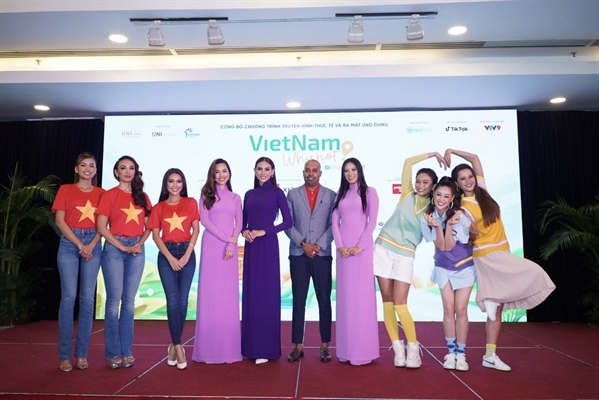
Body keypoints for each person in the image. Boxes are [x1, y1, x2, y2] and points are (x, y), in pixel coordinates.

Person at [446, 148, 556, 372]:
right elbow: (466, 239)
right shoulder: (461, 209)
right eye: (462, 179)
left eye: (470, 176)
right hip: (487, 257)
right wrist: (471, 233)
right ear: (457, 184)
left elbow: (475, 158)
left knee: (497, 309)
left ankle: (490, 355)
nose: (468, 181)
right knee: (528, 278)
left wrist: (450, 151)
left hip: (503, 253)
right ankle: (485, 344)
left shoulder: (483, 192)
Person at [374, 152, 444, 368]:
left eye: (425, 182)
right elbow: (408, 162)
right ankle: (397, 349)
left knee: (400, 303)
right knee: (387, 301)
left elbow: (433, 238)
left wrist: (433, 224)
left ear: (433, 186)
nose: (420, 185)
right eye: (418, 181)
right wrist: (433, 154)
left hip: (405, 254)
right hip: (383, 248)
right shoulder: (407, 193)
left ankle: (413, 347)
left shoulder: (434, 209)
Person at [97, 155, 152, 369]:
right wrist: (121, 246)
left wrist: (138, 244)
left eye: (131, 168)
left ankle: (126, 351)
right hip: (114, 249)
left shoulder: (142, 197)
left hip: (137, 250)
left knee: (129, 302)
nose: (127, 172)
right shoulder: (109, 195)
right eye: (123, 168)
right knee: (113, 302)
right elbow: (101, 227)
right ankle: (113, 353)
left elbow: (149, 226)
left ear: (135, 172)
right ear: (116, 172)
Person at [52, 152, 105, 372]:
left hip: (93, 243)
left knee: (87, 300)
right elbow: (59, 221)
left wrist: (90, 245)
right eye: (83, 165)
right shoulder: (66, 190)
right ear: (76, 169)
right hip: (69, 243)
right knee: (68, 298)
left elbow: (104, 224)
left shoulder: (102, 193)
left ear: (95, 170)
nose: (87, 169)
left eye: (91, 165)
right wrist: (79, 245)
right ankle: (64, 356)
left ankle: (81, 354)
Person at [420, 177, 475, 372]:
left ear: (452, 198)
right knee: (448, 308)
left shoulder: (460, 216)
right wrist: (438, 226)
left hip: (464, 267)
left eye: (446, 196)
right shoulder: (426, 217)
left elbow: (451, 245)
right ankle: (451, 353)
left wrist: (450, 225)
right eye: (438, 195)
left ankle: (462, 354)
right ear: (433, 195)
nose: (441, 199)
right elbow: (442, 247)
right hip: (443, 267)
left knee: (461, 309)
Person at [241, 157, 293, 364]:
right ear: (254, 171)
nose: (263, 172)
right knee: (252, 295)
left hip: (268, 246)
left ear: (272, 172)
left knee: (266, 295)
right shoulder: (249, 194)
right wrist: (244, 231)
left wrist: (264, 231)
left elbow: (288, 222)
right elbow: (243, 221)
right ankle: (251, 347)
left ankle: (266, 348)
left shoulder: (277, 193)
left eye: (267, 169)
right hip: (251, 246)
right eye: (260, 169)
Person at [284, 160, 336, 362]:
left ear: (320, 173)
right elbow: (288, 224)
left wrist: (318, 246)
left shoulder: (331, 195)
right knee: (298, 301)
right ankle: (298, 346)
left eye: (314, 170)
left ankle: (325, 346)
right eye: (308, 170)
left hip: (322, 255)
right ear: (303, 172)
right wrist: (303, 244)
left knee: (324, 301)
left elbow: (333, 225)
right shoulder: (292, 194)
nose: (311, 174)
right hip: (299, 254)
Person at [193, 159, 243, 364]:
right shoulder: (206, 195)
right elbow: (205, 220)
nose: (221, 175)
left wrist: (232, 243)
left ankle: (228, 348)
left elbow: (239, 223)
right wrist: (225, 238)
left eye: (224, 171)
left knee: (227, 294)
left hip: (230, 248)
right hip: (212, 246)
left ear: (229, 173)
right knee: (210, 293)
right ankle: (208, 349)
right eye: (217, 172)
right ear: (212, 175)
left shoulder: (236, 197)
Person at [148, 168, 199, 370]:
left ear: (183, 184)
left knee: (183, 300)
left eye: (179, 181)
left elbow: (196, 229)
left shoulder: (191, 203)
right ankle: (178, 346)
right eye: (171, 181)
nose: (175, 185)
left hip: (187, 252)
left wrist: (186, 254)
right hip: (166, 254)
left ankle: (173, 344)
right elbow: (155, 235)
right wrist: (170, 258)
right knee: (172, 300)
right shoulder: (158, 207)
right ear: (166, 184)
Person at [332, 157, 379, 366]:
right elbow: (335, 223)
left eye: (353, 169)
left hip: (361, 252)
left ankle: (362, 351)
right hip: (344, 253)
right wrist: (340, 246)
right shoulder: (340, 195)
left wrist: (360, 245)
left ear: (359, 171)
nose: (350, 173)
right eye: (346, 170)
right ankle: (346, 349)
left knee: (362, 299)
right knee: (345, 300)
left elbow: (372, 222)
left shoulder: (370, 193)